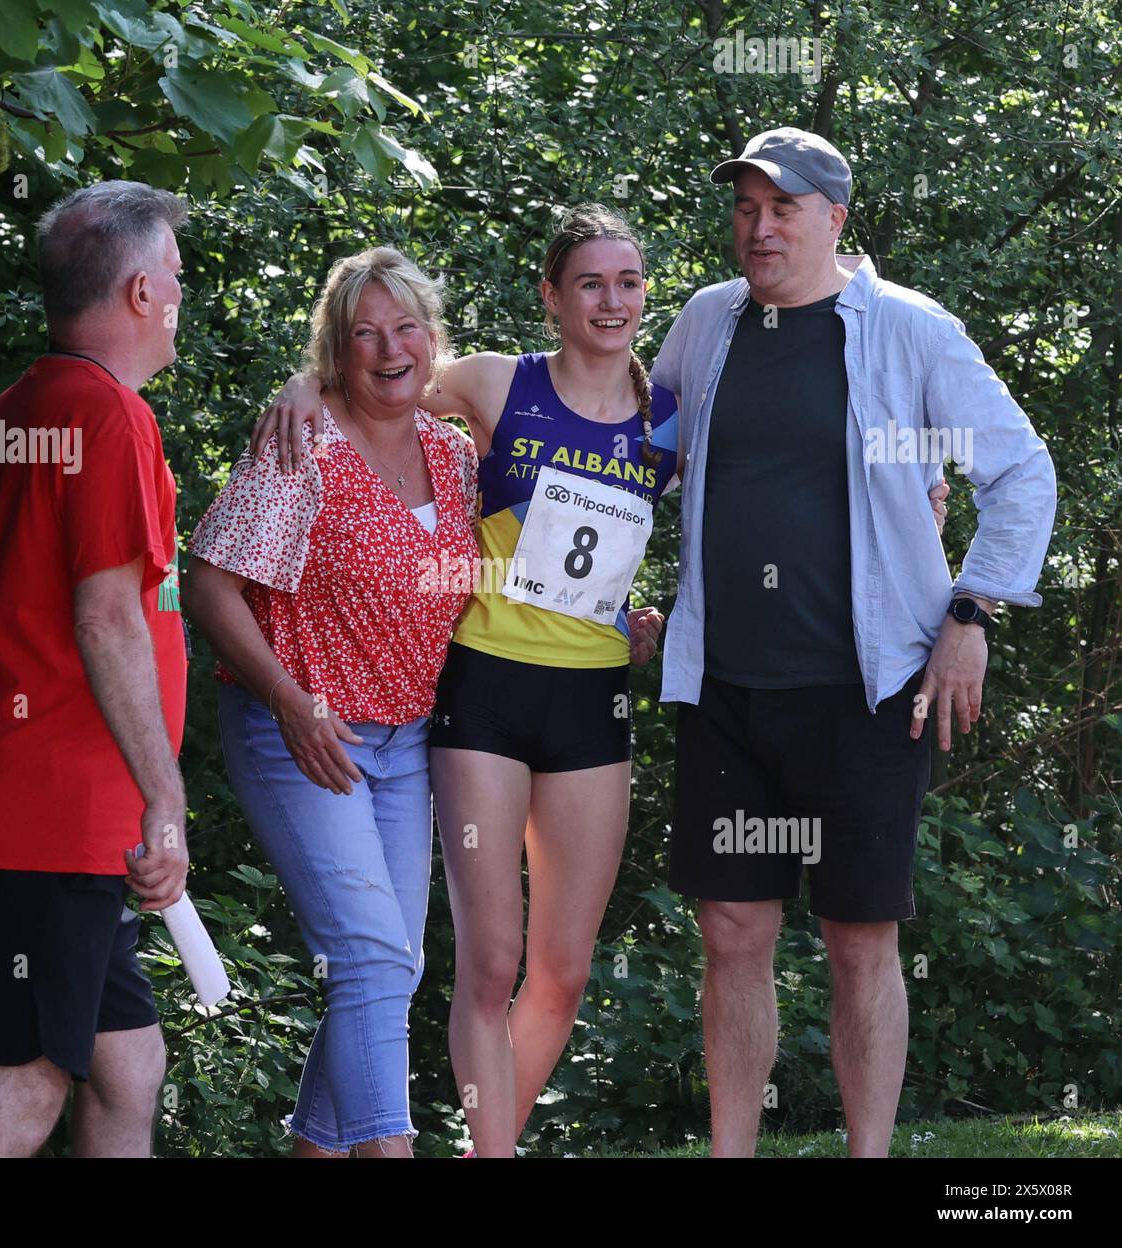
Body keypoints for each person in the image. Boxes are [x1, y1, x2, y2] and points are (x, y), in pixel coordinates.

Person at [254, 204, 950, 1158]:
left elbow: (782, 474)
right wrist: (301, 384)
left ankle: (468, 1146)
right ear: (551, 296)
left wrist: (917, 499)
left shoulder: (672, 414)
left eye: (628, 282)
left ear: (646, 295)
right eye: (589, 282)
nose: (611, 300)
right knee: (489, 963)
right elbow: (382, 369)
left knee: (563, 974)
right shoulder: (499, 383)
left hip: (593, 699)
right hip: (486, 691)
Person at [651, 127, 1057, 1157]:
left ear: (835, 216)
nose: (759, 226)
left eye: (782, 207)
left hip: (867, 693)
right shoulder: (706, 323)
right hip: (723, 689)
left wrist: (970, 616)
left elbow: (1019, 472)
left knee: (858, 938)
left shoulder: (909, 330)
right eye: (744, 207)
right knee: (732, 935)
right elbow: (627, 448)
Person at [182, 248, 480, 1157]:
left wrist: (612, 623)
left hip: (407, 739)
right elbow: (207, 585)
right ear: (334, 354)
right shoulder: (300, 445)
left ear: (431, 337)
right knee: (369, 960)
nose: (389, 349)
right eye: (364, 335)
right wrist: (289, 700)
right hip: (302, 734)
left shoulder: (454, 451)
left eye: (405, 328)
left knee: (395, 966)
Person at [0, 181, 191, 1157]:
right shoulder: (108, 416)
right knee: (13, 1100)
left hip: (33, 812)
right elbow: (108, 617)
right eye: (174, 276)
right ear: (136, 294)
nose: (181, 293)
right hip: (46, 821)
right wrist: (165, 800)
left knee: (127, 1070)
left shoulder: (21, 407)